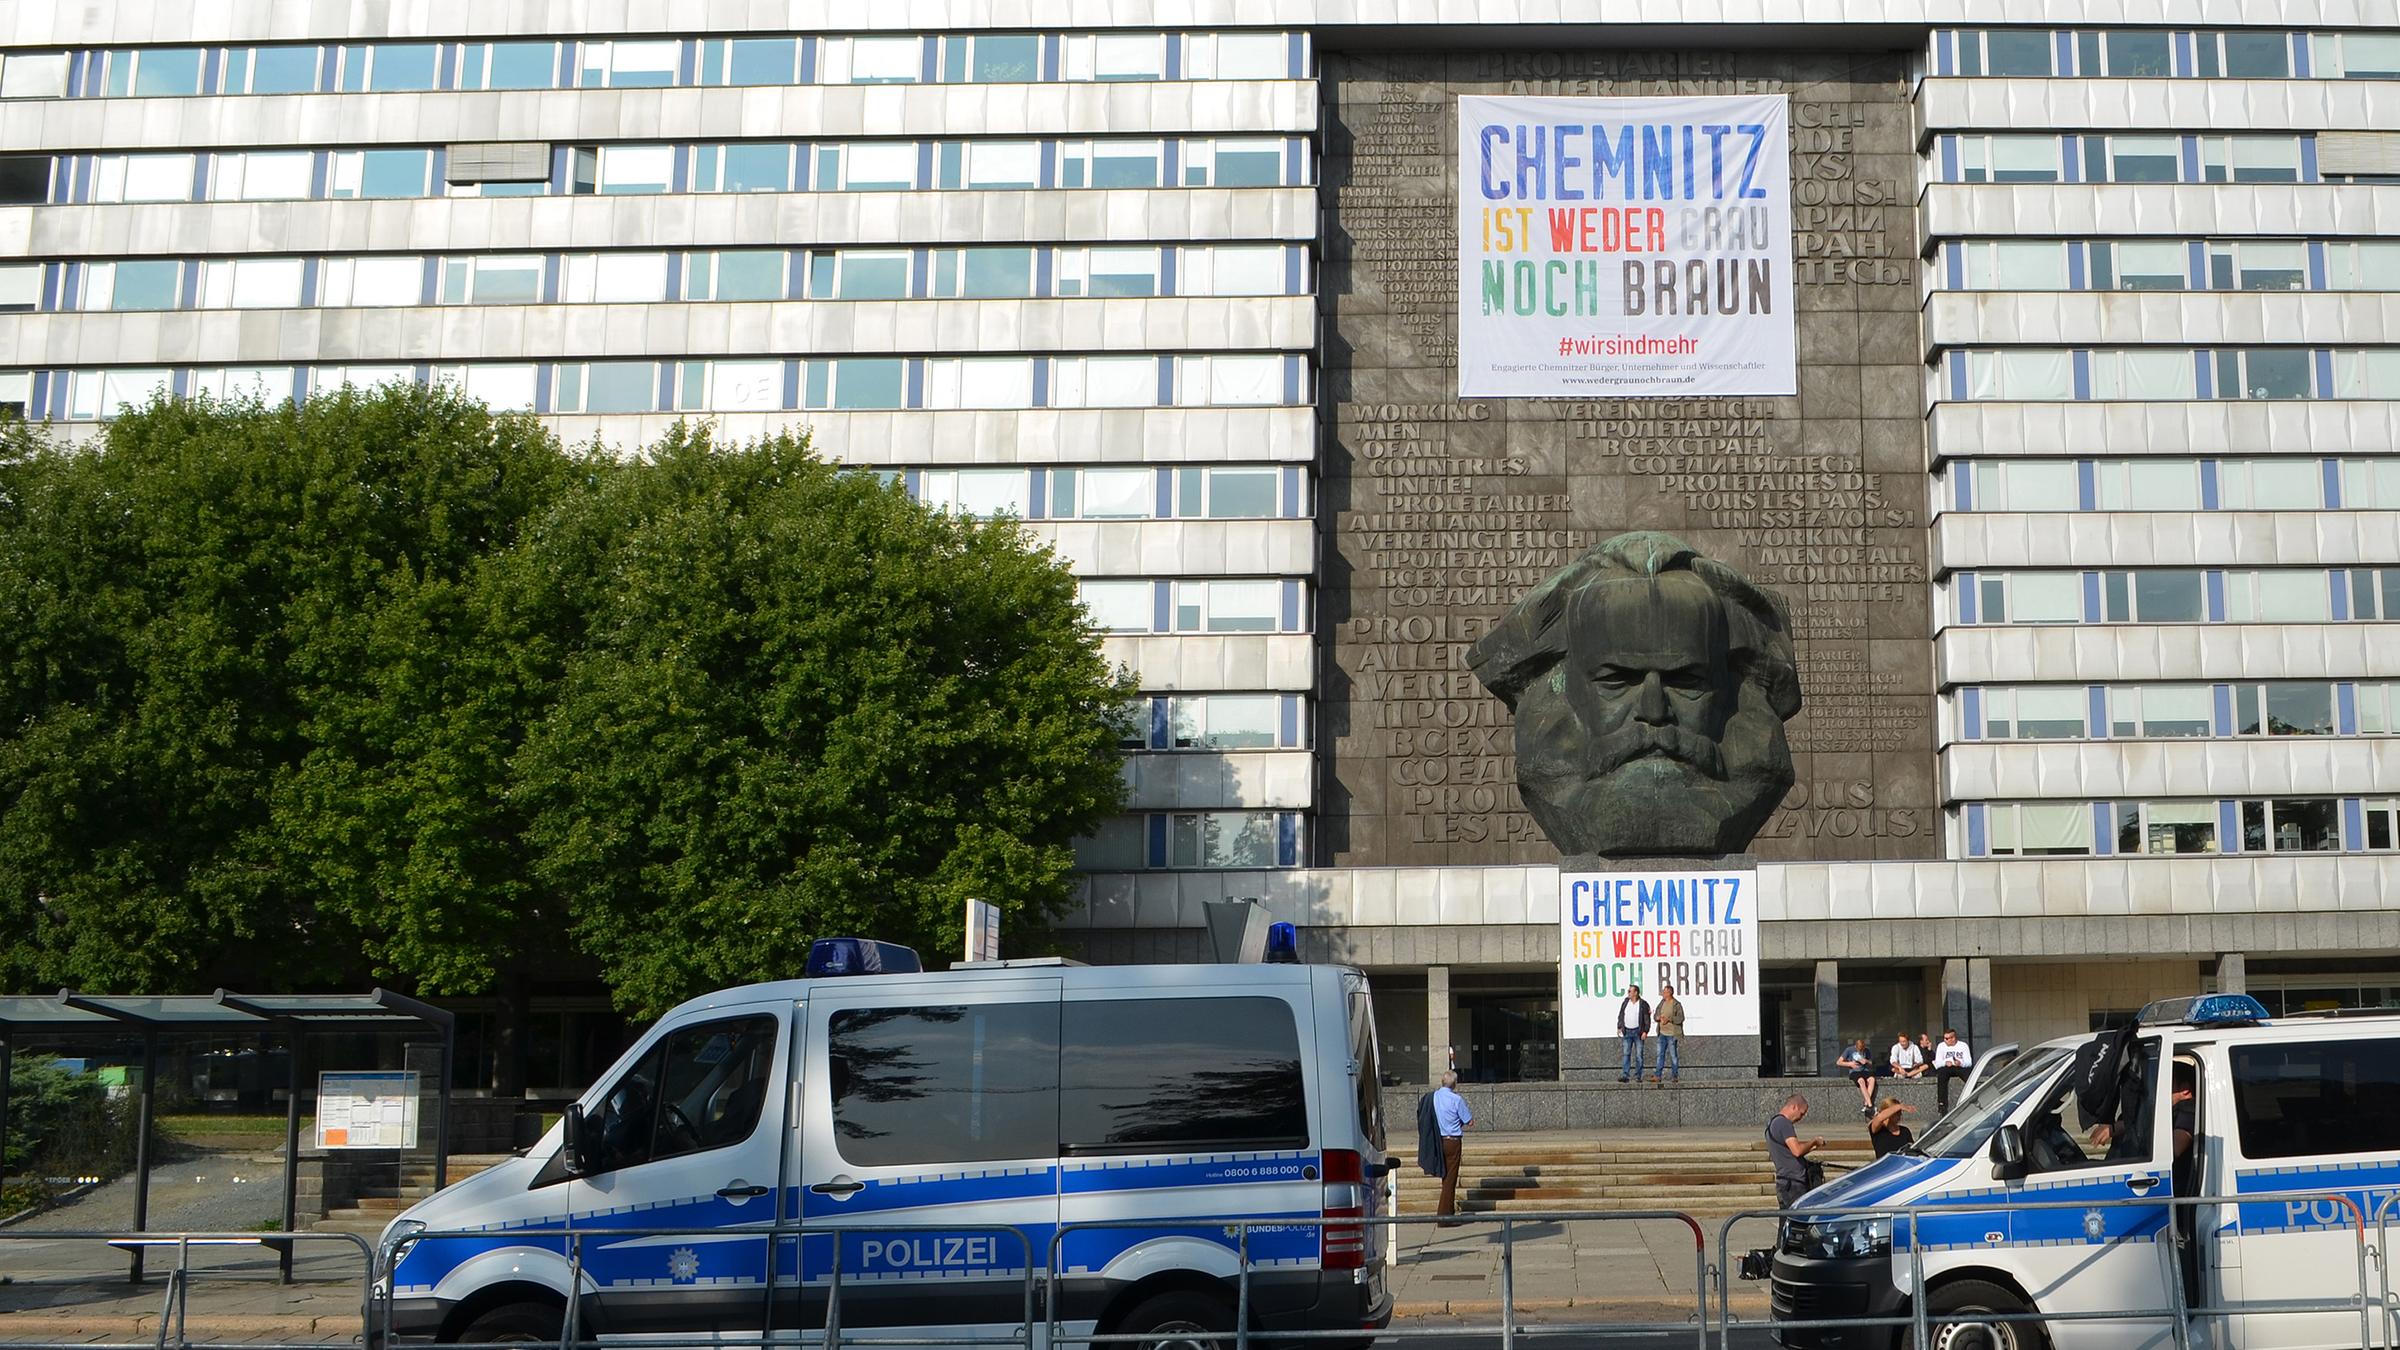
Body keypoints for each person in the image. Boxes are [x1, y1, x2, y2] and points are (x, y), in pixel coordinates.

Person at [1766, 1094, 1826, 1220]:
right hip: (1793, 1183)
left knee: (1786, 1222)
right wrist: (1814, 1141)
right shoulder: (1784, 1123)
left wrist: (1810, 1147)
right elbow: (1797, 1151)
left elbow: (1789, 1151)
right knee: (1798, 1221)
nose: (1801, 1118)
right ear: (1794, 1107)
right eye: (1802, 1113)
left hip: (1785, 1181)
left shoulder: (1773, 1123)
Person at [1431, 1069, 1473, 1224]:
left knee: (1445, 1177)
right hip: (1453, 1141)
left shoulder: (1433, 1097)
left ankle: (1448, 1210)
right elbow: (1469, 1120)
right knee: (1450, 1178)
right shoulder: (1456, 1099)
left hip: (1438, 1140)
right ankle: (1444, 1216)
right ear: (1454, 1083)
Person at [1933, 1028, 1974, 1111]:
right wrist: (1946, 1062)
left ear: (1953, 1038)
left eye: (1947, 1038)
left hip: (1959, 1067)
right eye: (1944, 1038)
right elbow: (1937, 1063)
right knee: (1942, 1074)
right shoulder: (1941, 1046)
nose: (1945, 1040)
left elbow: (1969, 1062)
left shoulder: (1963, 1045)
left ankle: (1974, 1097)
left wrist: (1960, 1063)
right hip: (1947, 1068)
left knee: (1969, 1075)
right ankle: (1942, 1104)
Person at [1617, 983, 1651, 1083]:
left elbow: (1646, 1019)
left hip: (1638, 1032)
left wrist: (1645, 1031)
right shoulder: (1625, 1002)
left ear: (1635, 993)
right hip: (1627, 1031)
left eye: (1630, 991)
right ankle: (1625, 1075)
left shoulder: (1643, 1004)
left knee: (1639, 1055)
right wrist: (1619, 1027)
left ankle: (1638, 1075)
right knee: (1626, 1053)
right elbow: (1621, 1015)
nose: (1628, 993)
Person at [1652, 983, 1684, 1085]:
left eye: (1665, 992)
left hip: (1671, 1034)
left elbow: (1681, 1018)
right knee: (1660, 1055)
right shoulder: (1662, 1003)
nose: (1663, 993)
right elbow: (1656, 1014)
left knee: (1673, 1055)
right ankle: (1658, 1075)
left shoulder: (1676, 1004)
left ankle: (1675, 1076)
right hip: (1662, 1033)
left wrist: (1669, 1019)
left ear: (1670, 993)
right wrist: (1658, 1018)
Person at [1838, 1037, 1878, 1116]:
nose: (1861, 1051)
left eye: (1862, 1050)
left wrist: (1866, 1061)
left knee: (1872, 1079)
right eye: (1859, 1050)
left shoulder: (1867, 1050)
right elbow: (1839, 1062)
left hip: (1865, 1070)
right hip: (1854, 1071)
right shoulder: (1849, 1050)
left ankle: (1866, 1104)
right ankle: (1870, 1105)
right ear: (1856, 1047)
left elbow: (1871, 1062)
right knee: (1861, 1081)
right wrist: (1850, 1064)